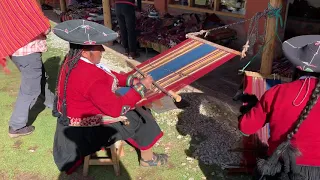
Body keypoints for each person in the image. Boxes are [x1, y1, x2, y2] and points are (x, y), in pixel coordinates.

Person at [51, 20, 168, 173]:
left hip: (72, 119)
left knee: (132, 102)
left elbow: (107, 75)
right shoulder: (90, 76)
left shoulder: (72, 60)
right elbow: (116, 109)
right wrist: (141, 88)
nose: (102, 50)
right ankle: (148, 159)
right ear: (86, 52)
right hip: (87, 131)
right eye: (98, 47)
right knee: (142, 116)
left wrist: (131, 80)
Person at [238, 35, 320, 180]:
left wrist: (251, 108)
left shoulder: (277, 92)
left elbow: (246, 128)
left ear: (296, 66)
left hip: (279, 169)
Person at [2, 0, 55, 138]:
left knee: (41, 77)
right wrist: (46, 26)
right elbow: (42, 26)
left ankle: (51, 103)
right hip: (28, 53)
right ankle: (16, 126)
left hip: (15, 50)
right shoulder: (24, 2)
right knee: (30, 89)